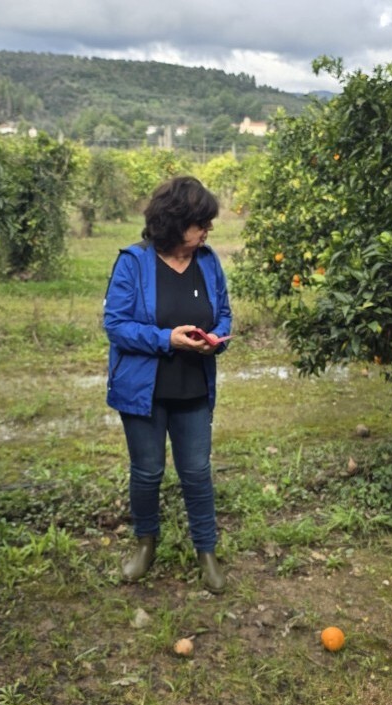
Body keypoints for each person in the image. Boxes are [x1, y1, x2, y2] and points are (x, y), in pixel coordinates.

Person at [104, 176, 233, 593]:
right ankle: (146, 543)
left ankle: (206, 551)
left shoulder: (209, 261)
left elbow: (225, 313)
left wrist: (217, 341)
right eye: (200, 224)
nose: (207, 231)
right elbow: (116, 325)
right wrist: (166, 339)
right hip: (144, 391)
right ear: (176, 221)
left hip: (193, 385)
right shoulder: (133, 262)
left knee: (197, 472)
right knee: (147, 471)